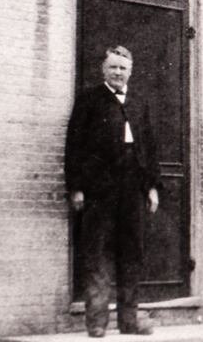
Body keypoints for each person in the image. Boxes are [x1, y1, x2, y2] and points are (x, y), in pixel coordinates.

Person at [65, 46, 160, 338]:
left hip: (133, 189)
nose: (118, 72)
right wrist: (77, 187)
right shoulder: (89, 100)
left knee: (132, 253)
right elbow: (74, 145)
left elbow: (149, 148)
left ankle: (129, 321)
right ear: (103, 70)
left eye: (123, 68)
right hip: (99, 190)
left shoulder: (139, 102)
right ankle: (96, 322)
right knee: (98, 253)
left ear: (130, 71)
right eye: (113, 67)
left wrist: (151, 187)